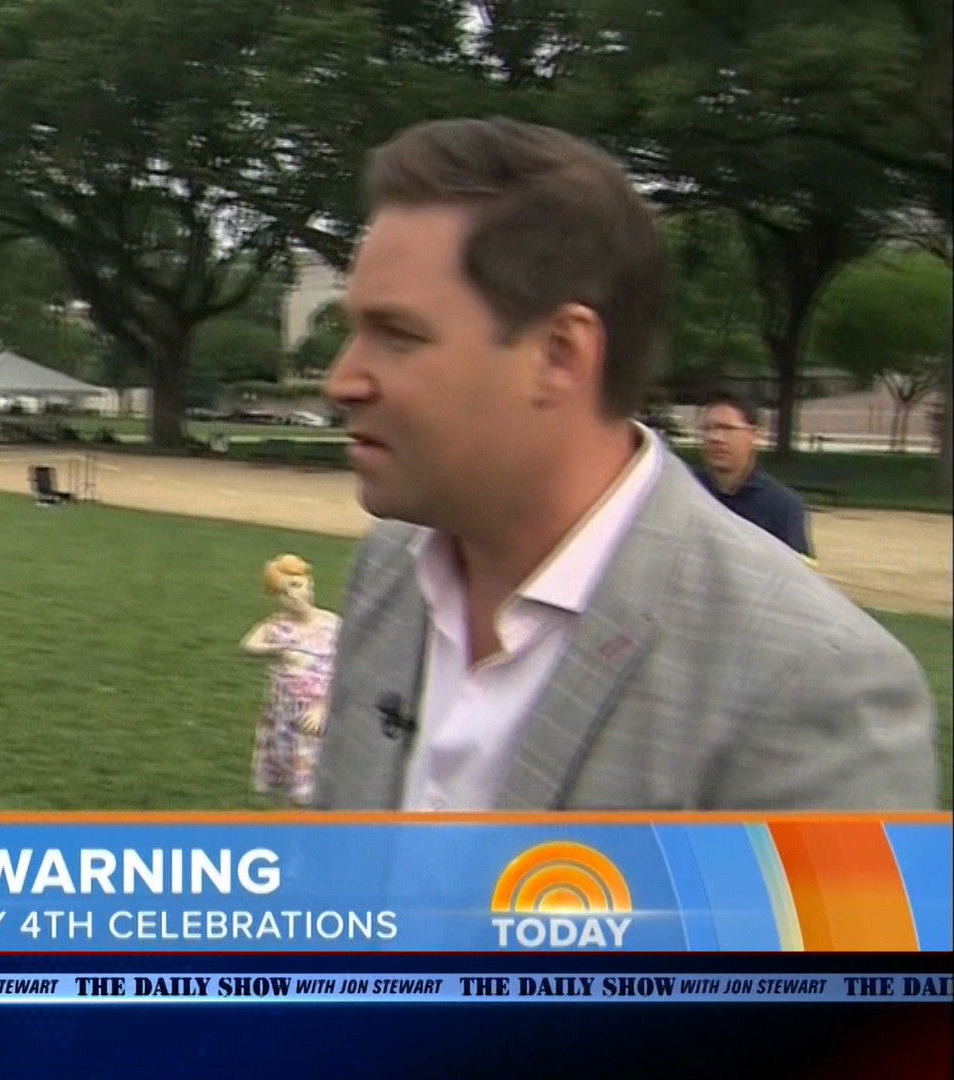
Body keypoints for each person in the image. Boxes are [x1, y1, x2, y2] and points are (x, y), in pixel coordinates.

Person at [315, 117, 936, 811]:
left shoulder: (814, 690)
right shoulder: (390, 567)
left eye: (397, 335)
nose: (341, 381)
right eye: (354, 331)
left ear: (560, 354)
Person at [241, 555, 341, 806]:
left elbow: (347, 668)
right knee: (292, 787)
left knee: (315, 786)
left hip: (316, 718)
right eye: (285, 592)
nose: (294, 596)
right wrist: (278, 651)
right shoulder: (278, 626)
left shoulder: (332, 625)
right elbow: (248, 645)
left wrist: (323, 706)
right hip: (285, 719)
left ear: (309, 584)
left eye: (297, 586)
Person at [693, 391, 813, 558]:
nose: (715, 438)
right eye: (708, 429)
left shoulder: (783, 507)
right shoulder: (688, 491)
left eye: (727, 428)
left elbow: (795, 571)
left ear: (754, 435)